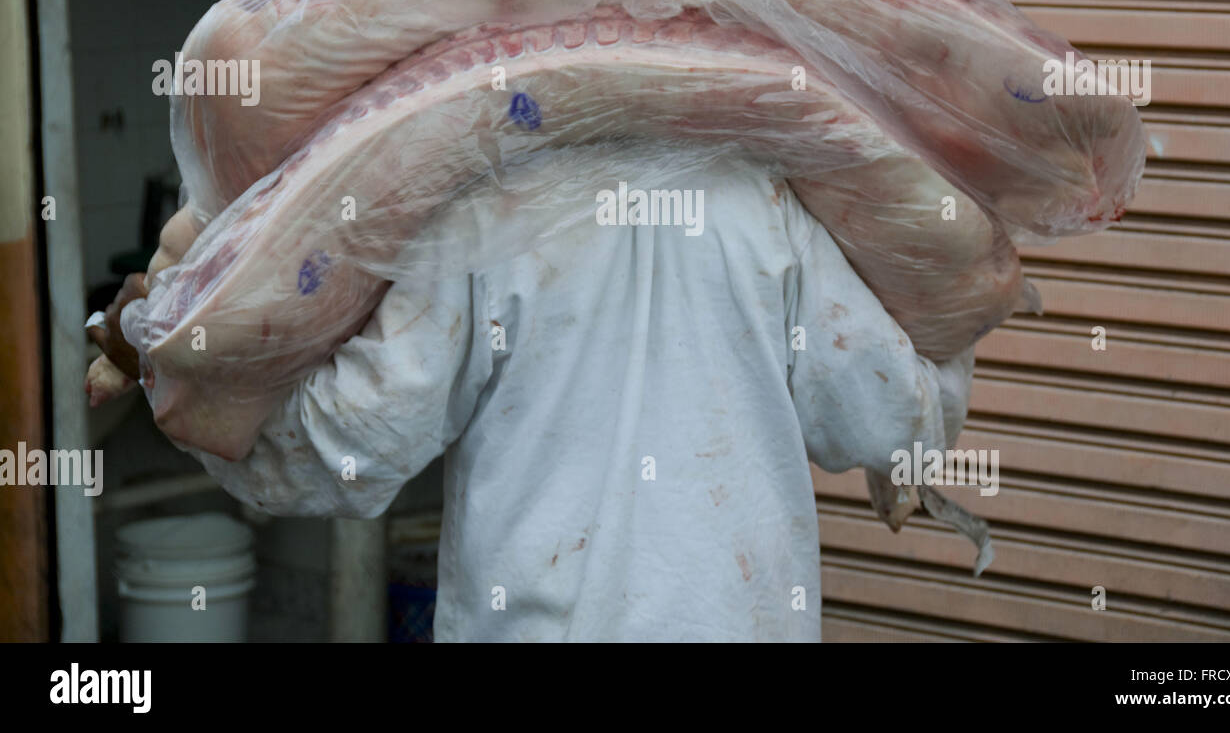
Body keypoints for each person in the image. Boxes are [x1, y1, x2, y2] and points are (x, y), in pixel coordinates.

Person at [94, 153, 976, 642]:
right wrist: (949, 348)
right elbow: (879, 415)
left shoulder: (489, 210)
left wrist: (183, 372)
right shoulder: (771, 203)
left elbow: (353, 447)